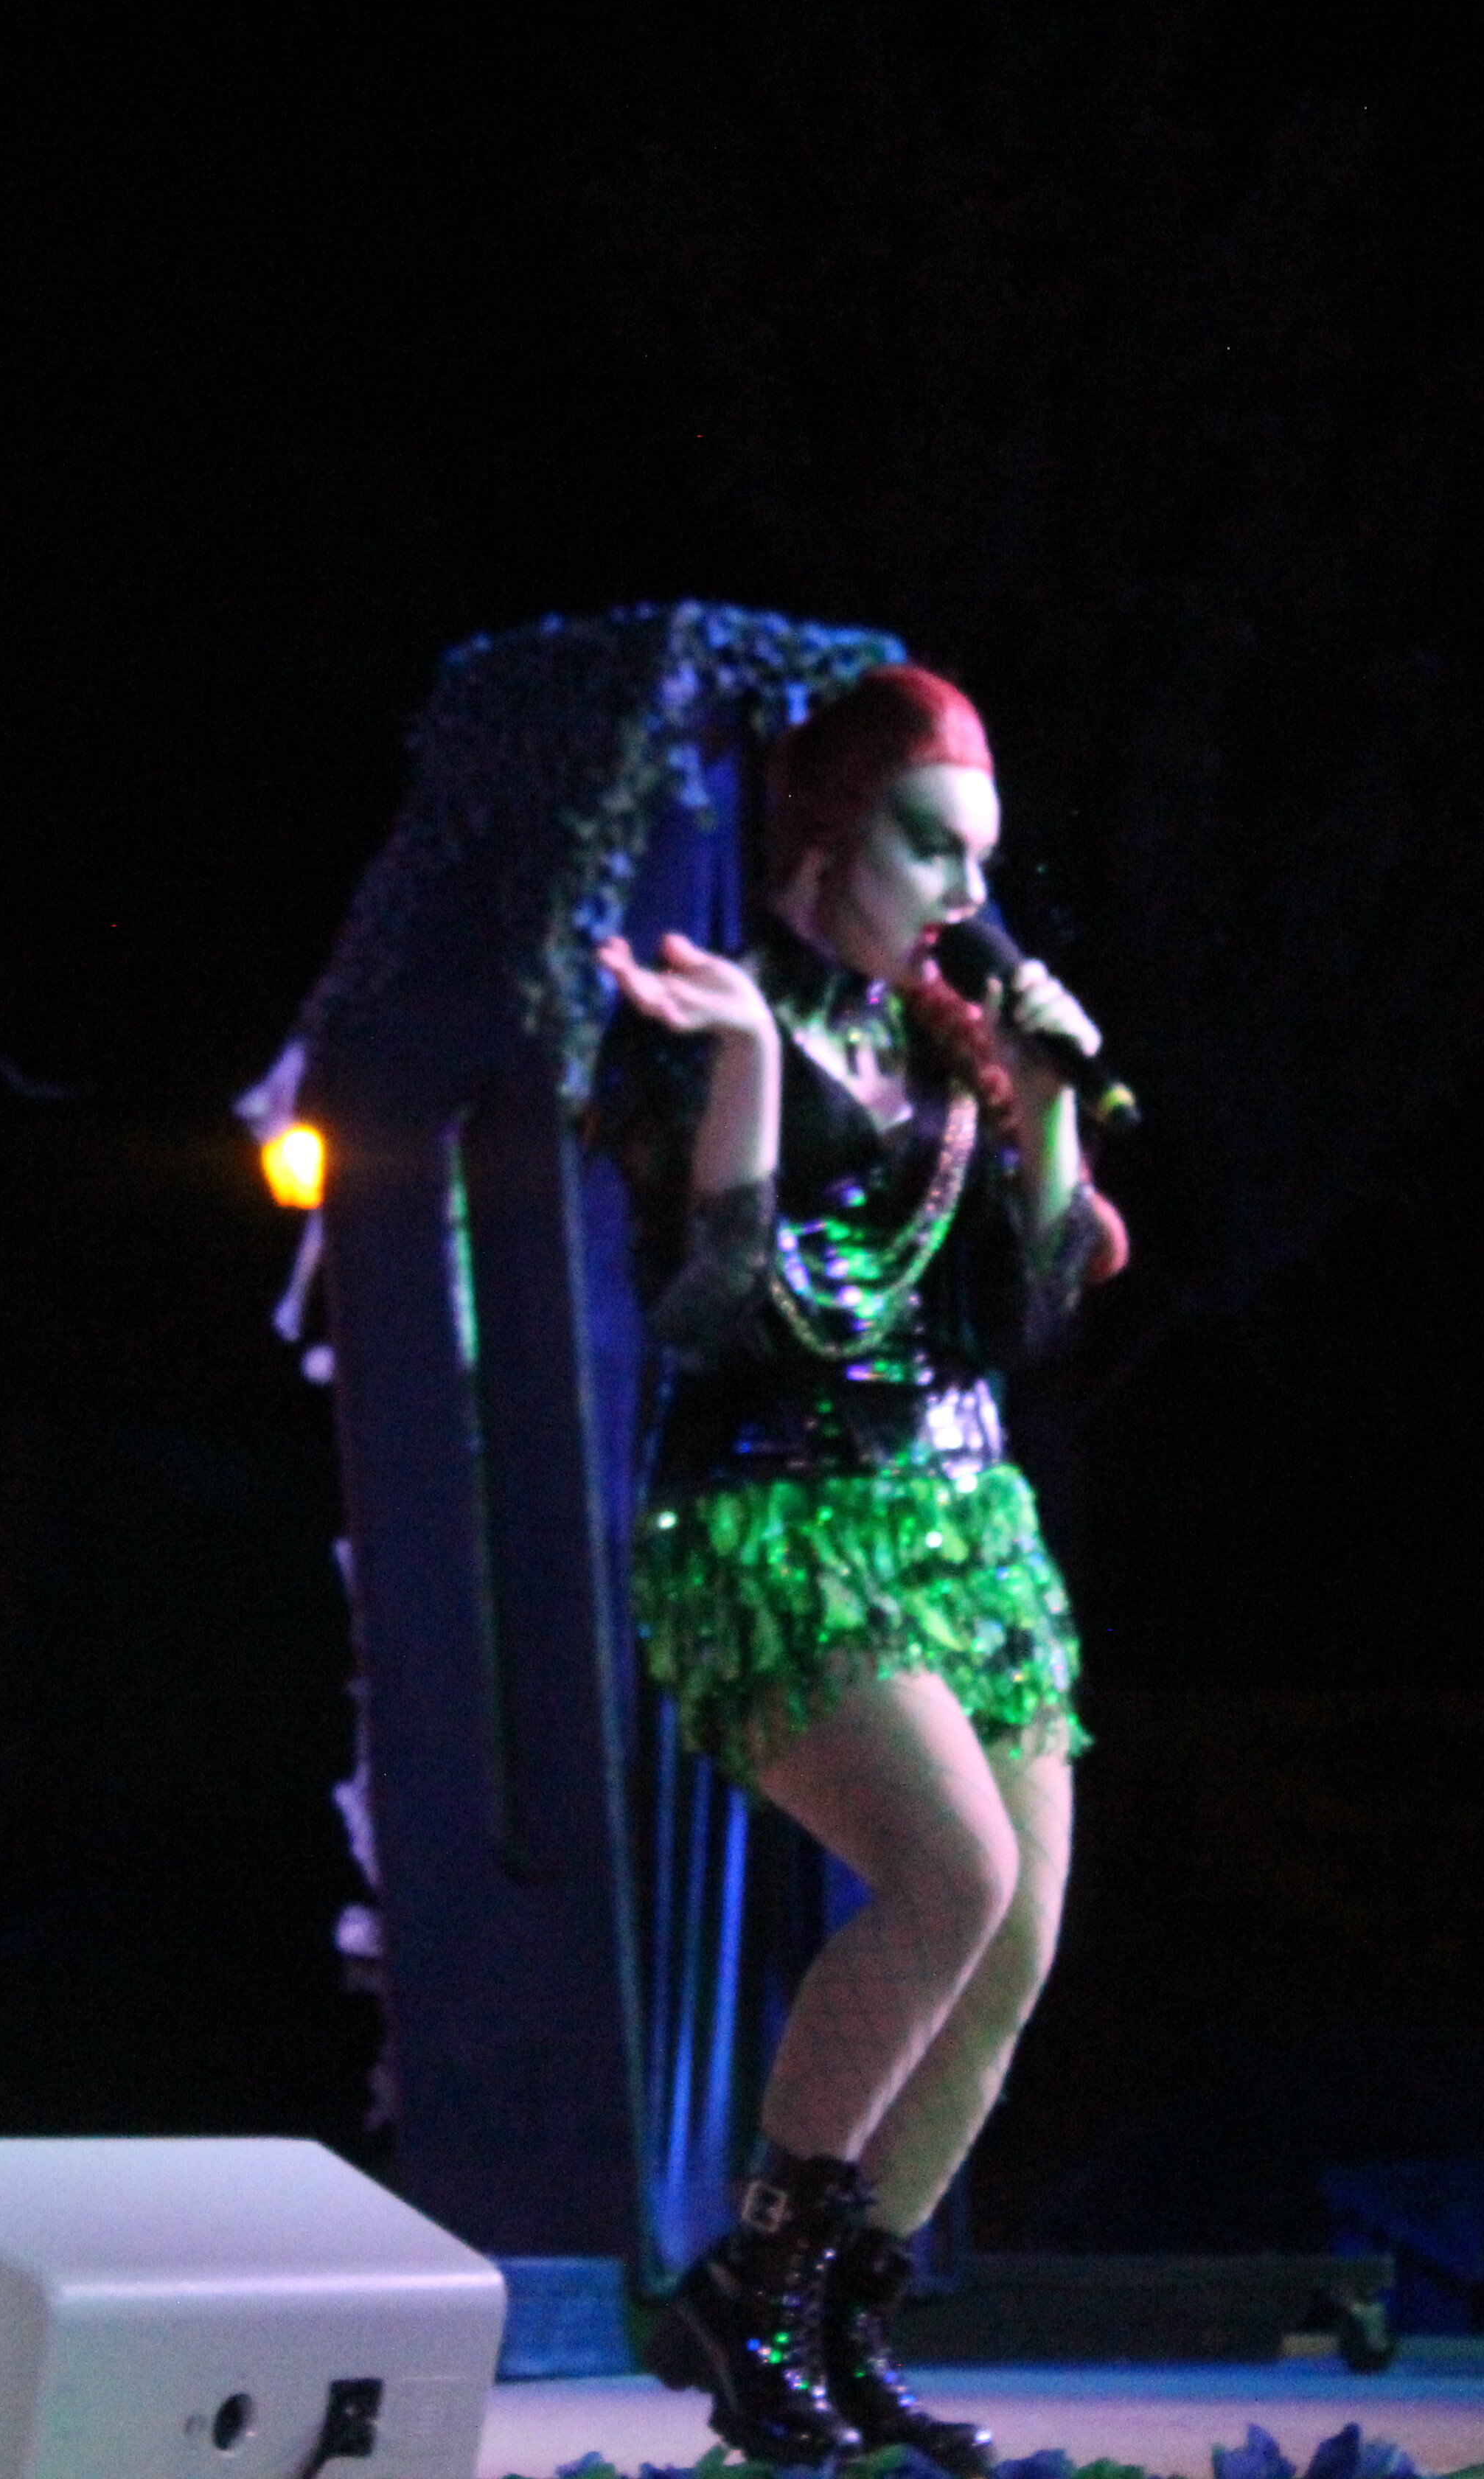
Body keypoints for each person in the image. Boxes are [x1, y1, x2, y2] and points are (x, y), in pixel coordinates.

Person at [592, 663, 1118, 2472]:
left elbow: (1043, 1296)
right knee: (952, 1870)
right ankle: (750, 2289)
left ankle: (829, 2329)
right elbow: (706, 1311)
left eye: (982, 857)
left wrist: (1048, 1094)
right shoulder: (709, 1018)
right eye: (929, 847)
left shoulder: (952, 1048)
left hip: (966, 1522)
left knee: (1017, 1938)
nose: (966, 892)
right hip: (779, 1520)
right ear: (827, 832)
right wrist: (749, 1063)